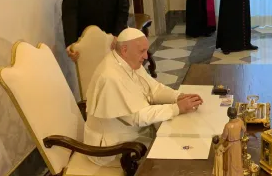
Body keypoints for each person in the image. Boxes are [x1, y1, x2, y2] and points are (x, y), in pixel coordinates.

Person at [84, 28, 204, 166]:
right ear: (124, 49)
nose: (146, 56)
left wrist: (178, 97)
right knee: (177, 155)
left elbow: (154, 89)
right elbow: (137, 117)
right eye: (142, 51)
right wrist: (176, 108)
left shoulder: (127, 61)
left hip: (134, 133)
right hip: (114, 148)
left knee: (184, 137)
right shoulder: (110, 77)